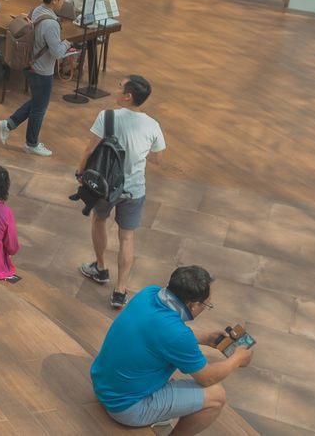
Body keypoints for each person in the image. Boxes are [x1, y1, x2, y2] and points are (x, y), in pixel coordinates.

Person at [91, 265, 252, 434]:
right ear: (194, 305)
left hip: (102, 385)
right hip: (125, 408)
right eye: (207, 304)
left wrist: (205, 338)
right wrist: (237, 359)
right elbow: (208, 378)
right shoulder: (178, 335)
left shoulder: (148, 293)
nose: (206, 307)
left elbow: (159, 334)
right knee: (216, 396)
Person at [78, 74, 166, 308]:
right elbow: (157, 158)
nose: (116, 91)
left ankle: (100, 267)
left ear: (128, 96)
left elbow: (89, 151)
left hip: (106, 186)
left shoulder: (107, 117)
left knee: (99, 220)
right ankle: (120, 290)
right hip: (134, 190)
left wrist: (80, 175)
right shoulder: (153, 125)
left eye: (119, 88)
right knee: (127, 237)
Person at [0, 0, 71, 156]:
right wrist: (66, 44)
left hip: (29, 64)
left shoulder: (37, 10)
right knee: (39, 107)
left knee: (37, 101)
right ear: (55, 0)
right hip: (42, 71)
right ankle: (31, 143)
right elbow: (58, 53)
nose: (63, 3)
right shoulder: (51, 24)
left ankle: (8, 124)